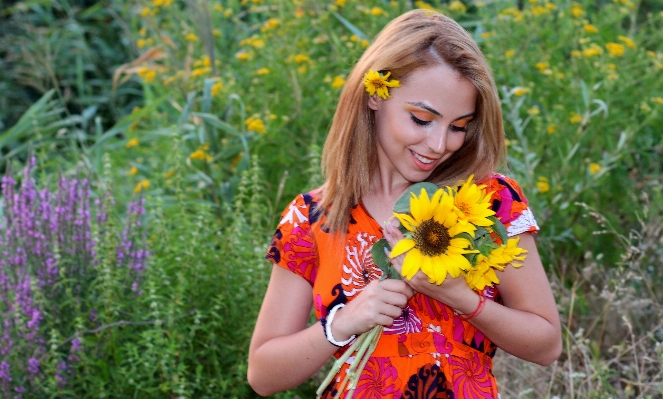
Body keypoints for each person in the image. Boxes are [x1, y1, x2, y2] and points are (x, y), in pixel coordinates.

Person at [248, 9, 562, 398]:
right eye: (421, 119)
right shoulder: (312, 217)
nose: (439, 144)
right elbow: (262, 375)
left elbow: (547, 346)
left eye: (458, 127)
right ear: (374, 96)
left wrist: (458, 296)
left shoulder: (486, 202)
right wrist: (343, 323)